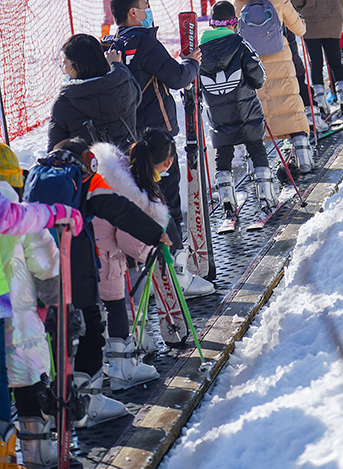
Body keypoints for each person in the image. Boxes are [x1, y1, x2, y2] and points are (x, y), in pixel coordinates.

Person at [24, 137, 172, 429]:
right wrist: (156, 234)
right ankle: (89, 404)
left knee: (57, 333)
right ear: (87, 160)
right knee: (91, 326)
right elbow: (119, 209)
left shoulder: (35, 176)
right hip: (75, 261)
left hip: (38, 267)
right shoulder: (85, 180)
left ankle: (60, 404)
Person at [92, 129, 214, 387]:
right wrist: (152, 248)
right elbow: (128, 239)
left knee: (112, 304)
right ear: (168, 163)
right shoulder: (133, 191)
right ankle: (122, 366)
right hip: (104, 254)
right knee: (118, 304)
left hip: (91, 247)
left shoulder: (122, 174)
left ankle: (130, 347)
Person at [0, 158, 83, 469]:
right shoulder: (22, 214)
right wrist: (51, 299)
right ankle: (37, 456)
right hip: (22, 321)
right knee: (30, 386)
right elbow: (47, 259)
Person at [107, 0, 201, 237]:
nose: (148, 10)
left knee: (143, 198)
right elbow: (177, 77)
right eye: (145, 6)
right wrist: (192, 62)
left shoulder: (112, 47)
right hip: (157, 134)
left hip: (127, 137)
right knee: (167, 197)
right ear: (133, 12)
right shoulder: (144, 42)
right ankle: (175, 256)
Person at [232, 0, 315, 173]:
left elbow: (233, 34)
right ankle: (304, 157)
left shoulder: (237, 2)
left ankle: (258, 170)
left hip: (251, 64)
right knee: (289, 104)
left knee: (256, 111)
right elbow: (299, 29)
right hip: (280, 59)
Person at [199, 0, 278, 214]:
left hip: (218, 116)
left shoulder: (199, 51)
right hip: (246, 112)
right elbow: (258, 76)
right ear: (233, 22)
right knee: (256, 148)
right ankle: (266, 195)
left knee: (222, 154)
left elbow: (195, 85)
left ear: (212, 24)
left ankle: (226, 199)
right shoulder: (240, 43)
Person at [48, 33, 141, 154]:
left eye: (65, 63)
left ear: (78, 66)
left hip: (89, 170)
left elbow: (54, 152)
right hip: (128, 166)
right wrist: (116, 65)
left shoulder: (64, 102)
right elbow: (133, 86)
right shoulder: (124, 87)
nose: (63, 68)